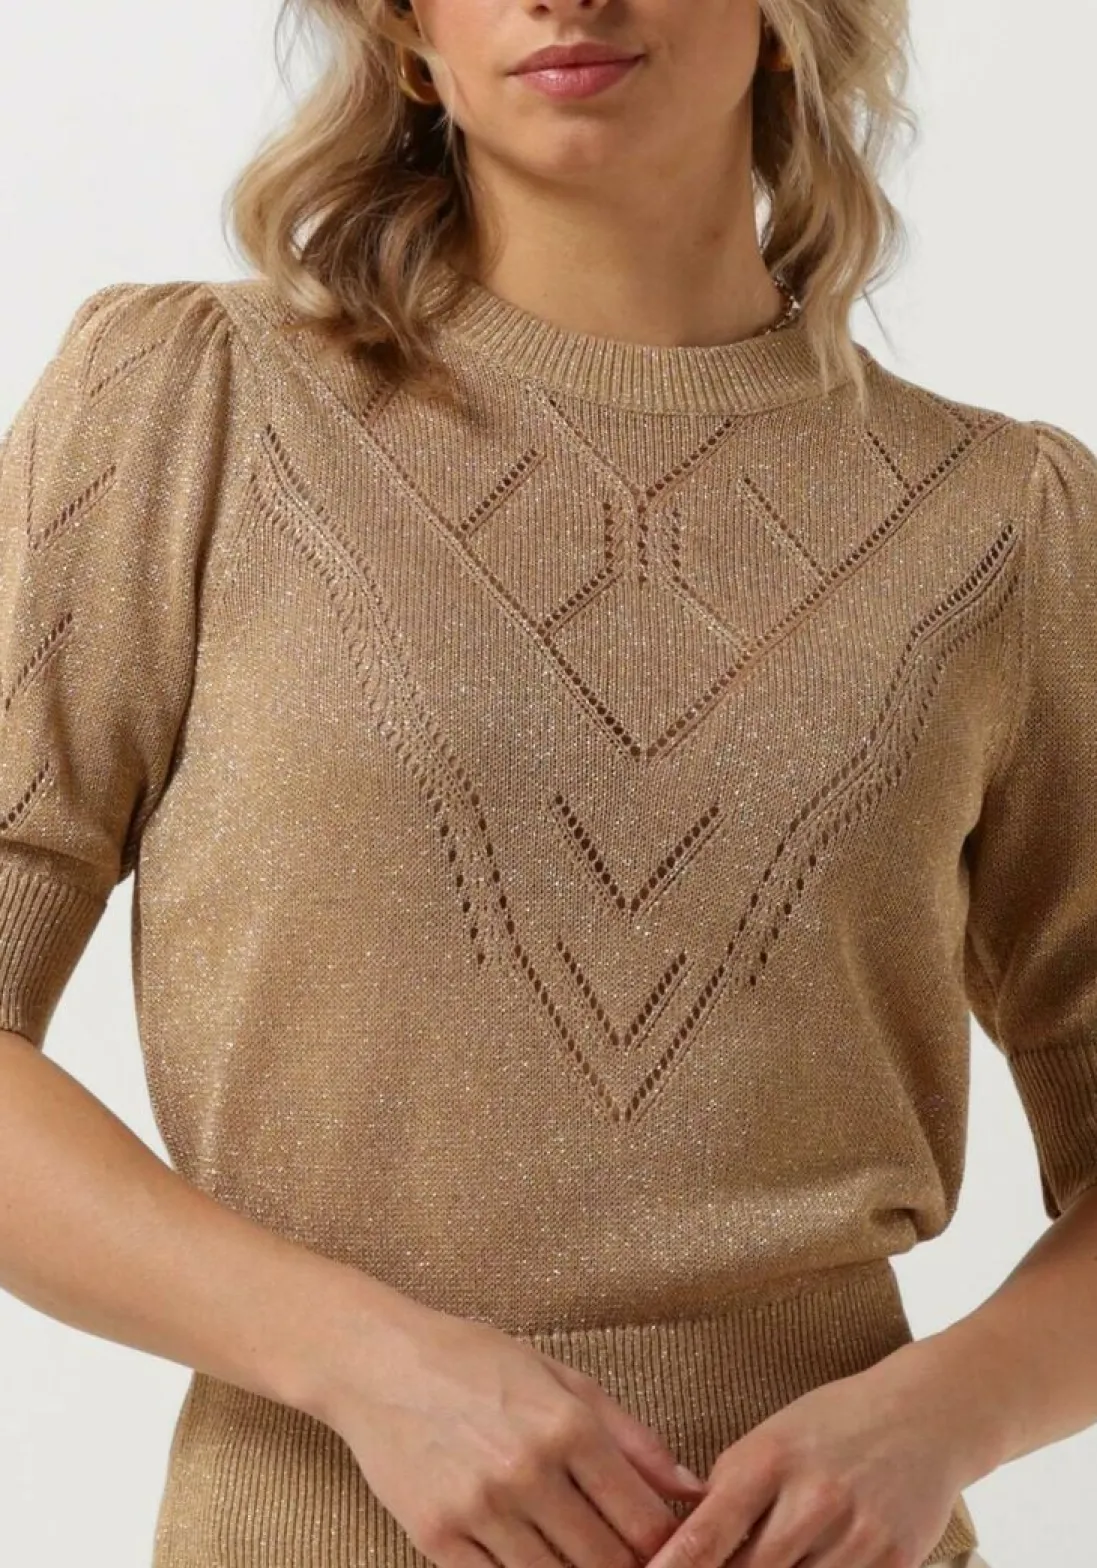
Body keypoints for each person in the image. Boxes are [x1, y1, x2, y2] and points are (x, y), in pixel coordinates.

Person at [2, 1, 1097, 1565]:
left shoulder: (1007, 522)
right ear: (405, 35)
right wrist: (363, 1361)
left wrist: (947, 1416)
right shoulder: (192, 407)